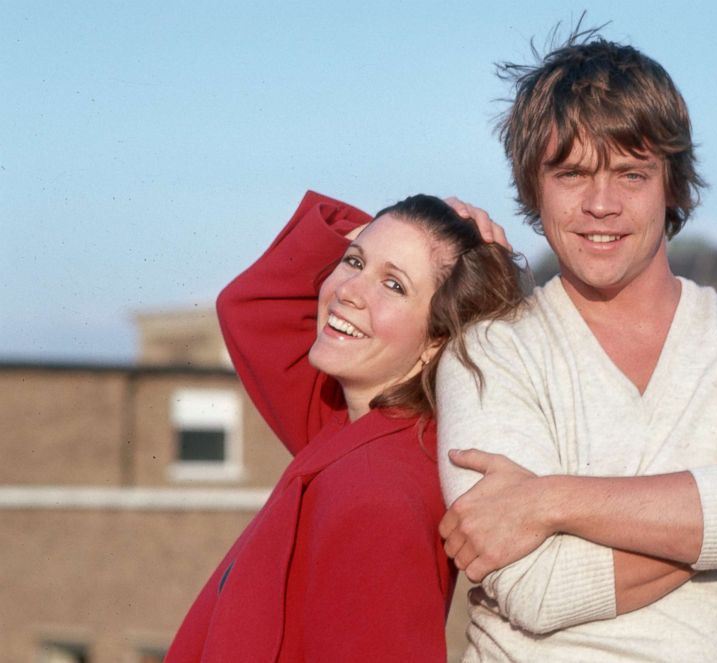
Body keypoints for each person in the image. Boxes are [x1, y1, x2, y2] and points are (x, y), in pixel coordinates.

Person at [436, 29, 717, 662]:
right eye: (571, 174)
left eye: (631, 173)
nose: (602, 204)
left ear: (673, 185)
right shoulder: (488, 350)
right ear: (532, 187)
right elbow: (535, 588)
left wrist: (548, 499)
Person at [164, 191, 523, 663]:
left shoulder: (380, 490)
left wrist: (390, 244)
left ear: (437, 339)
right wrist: (390, 231)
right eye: (353, 263)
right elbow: (249, 307)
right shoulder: (352, 425)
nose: (349, 291)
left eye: (394, 286)